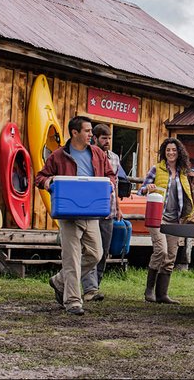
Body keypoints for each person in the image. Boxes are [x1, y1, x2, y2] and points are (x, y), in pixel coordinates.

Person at [35, 116, 117, 315]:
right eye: (88, 131)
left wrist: (110, 185)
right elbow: (40, 177)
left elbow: (110, 174)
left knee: (96, 254)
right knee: (71, 257)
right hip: (68, 212)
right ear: (75, 133)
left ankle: (59, 280)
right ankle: (73, 301)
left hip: (91, 210)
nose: (91, 135)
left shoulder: (97, 153)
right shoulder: (58, 155)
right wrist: (49, 182)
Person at [139, 137, 194, 304]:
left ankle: (162, 294)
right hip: (157, 217)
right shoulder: (156, 169)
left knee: (171, 256)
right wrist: (147, 189)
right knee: (161, 251)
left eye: (174, 150)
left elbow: (190, 188)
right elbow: (140, 190)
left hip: (176, 220)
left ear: (179, 152)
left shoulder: (183, 172)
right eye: (168, 150)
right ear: (164, 153)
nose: (171, 153)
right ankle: (149, 290)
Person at [81, 124, 124, 298]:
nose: (107, 141)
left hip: (109, 210)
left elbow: (116, 185)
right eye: (104, 138)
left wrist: (119, 207)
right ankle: (89, 288)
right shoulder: (88, 155)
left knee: (104, 250)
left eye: (109, 138)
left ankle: (95, 285)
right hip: (91, 210)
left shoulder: (114, 158)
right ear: (96, 138)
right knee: (91, 249)